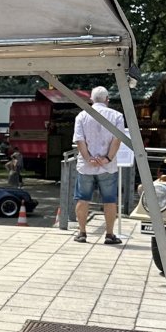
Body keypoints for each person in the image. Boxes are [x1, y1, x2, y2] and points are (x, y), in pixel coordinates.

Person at [73, 86, 126, 244]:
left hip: (86, 166)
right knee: (109, 200)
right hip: (107, 166)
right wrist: (107, 158)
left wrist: (89, 158)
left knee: (83, 199)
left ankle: (82, 233)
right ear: (107, 100)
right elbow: (117, 139)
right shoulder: (117, 116)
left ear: (91, 99)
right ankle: (109, 235)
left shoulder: (82, 116)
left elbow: (79, 140)